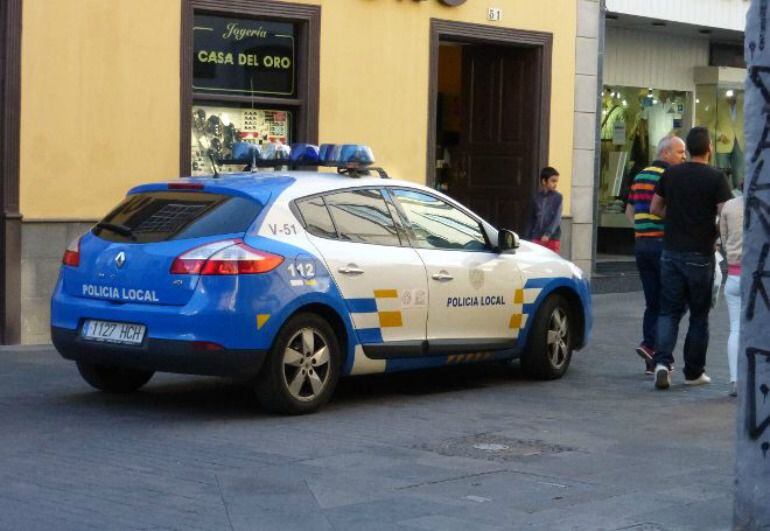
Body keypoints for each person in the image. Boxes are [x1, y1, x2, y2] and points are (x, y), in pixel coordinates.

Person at [649, 126, 733, 390]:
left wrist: (674, 220)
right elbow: (725, 214)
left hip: (671, 252)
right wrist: (712, 230)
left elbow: (655, 207)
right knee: (699, 315)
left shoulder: (670, 174)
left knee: (668, 312)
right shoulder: (716, 178)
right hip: (701, 254)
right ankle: (694, 371)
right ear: (709, 148)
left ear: (688, 150)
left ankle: (661, 363)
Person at [624, 135, 687, 374]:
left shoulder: (640, 176)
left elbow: (630, 210)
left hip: (642, 245)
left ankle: (652, 359)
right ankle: (658, 352)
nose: (683, 157)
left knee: (653, 302)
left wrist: (641, 229)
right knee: (672, 304)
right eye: (680, 152)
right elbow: (672, 210)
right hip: (663, 244)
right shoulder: (669, 176)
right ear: (665, 153)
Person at [719, 191, 744, 397]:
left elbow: (724, 238)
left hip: (734, 275)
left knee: (735, 328)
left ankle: (735, 379)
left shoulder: (730, 206)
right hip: (760, 278)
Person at [527, 166, 563, 253]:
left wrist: (548, 234)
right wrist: (528, 236)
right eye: (553, 181)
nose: (555, 184)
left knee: (551, 263)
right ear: (544, 181)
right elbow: (531, 218)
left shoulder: (558, 197)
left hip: (552, 238)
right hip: (536, 237)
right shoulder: (536, 197)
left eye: (556, 181)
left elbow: (557, 219)